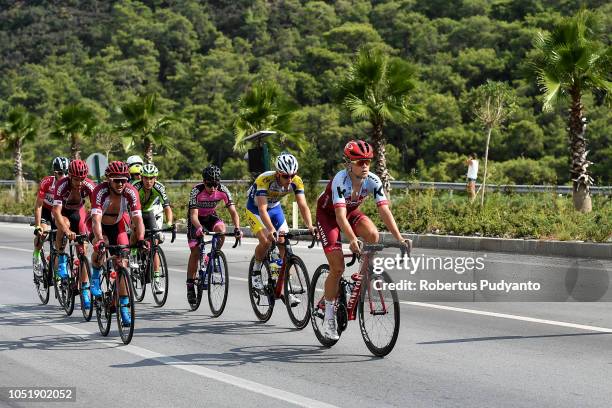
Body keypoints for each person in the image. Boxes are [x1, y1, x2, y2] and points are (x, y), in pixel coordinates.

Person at [316, 140, 411, 340]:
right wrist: (351, 239)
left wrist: (400, 238)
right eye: (360, 162)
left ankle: (363, 276)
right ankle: (330, 316)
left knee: (373, 235)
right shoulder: (340, 180)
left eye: (368, 161)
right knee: (338, 267)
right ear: (349, 163)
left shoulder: (373, 180)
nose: (365, 165)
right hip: (329, 217)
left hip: (350, 213)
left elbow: (384, 211)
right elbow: (339, 217)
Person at [245, 153, 316, 306]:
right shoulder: (264, 180)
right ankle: (256, 271)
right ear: (278, 173)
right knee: (266, 239)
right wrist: (270, 229)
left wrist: (310, 225)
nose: (289, 179)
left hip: (275, 209)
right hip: (256, 209)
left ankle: (285, 289)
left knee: (284, 244)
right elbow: (263, 210)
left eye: (292, 175)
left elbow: (303, 205)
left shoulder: (296, 181)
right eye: (285, 176)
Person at [89, 161, 145, 327]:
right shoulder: (100, 191)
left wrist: (141, 239)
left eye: (124, 180)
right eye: (116, 180)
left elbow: (138, 219)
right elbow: (96, 220)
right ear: (108, 179)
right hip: (100, 227)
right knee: (102, 244)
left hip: (118, 226)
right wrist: (99, 239)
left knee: (122, 264)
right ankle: (95, 275)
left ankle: (124, 308)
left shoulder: (131, 191)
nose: (120, 184)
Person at [186, 164, 242, 304]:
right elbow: (193, 216)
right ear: (204, 181)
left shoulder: (223, 190)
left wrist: (237, 228)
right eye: (209, 184)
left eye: (216, 184)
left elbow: (234, 212)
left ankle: (212, 256)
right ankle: (190, 286)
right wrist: (199, 228)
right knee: (195, 251)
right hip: (196, 220)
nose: (213, 188)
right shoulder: (196, 191)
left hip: (210, 216)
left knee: (221, 230)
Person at [52, 159, 96, 308]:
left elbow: (97, 207)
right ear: (70, 176)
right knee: (64, 224)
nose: (79, 183)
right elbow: (56, 211)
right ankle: (61, 257)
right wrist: (66, 230)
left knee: (83, 249)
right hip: (63, 213)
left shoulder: (88, 185)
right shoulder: (62, 185)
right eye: (76, 179)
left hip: (78, 212)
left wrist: (95, 229)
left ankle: (84, 288)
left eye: (82, 179)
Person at [132, 163, 173, 293]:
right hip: (134, 212)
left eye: (151, 178)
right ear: (141, 178)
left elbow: (167, 207)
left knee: (154, 244)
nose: (148, 181)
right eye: (146, 178)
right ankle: (133, 255)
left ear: (155, 178)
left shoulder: (159, 187)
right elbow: (128, 207)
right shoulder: (135, 187)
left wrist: (170, 223)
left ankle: (156, 279)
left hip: (149, 213)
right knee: (135, 228)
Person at [32, 157, 69, 276]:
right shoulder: (47, 182)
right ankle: (37, 254)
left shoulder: (70, 185)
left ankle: (57, 273)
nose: (64, 176)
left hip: (60, 213)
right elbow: (38, 205)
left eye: (66, 173)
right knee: (44, 232)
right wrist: (38, 226)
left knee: (61, 243)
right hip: (47, 211)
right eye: (60, 173)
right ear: (55, 173)